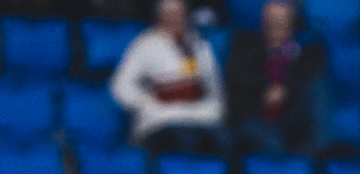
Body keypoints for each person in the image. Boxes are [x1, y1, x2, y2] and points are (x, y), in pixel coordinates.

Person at [110, 0, 226, 154]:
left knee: (227, 142)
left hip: (201, 118)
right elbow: (120, 85)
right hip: (163, 121)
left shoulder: (201, 45)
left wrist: (213, 111)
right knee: (187, 141)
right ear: (160, 17)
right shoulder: (145, 44)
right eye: (170, 14)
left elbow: (215, 88)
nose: (175, 19)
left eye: (179, 14)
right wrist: (147, 103)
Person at [225, 0, 325, 155]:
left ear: (292, 24)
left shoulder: (307, 53)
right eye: (271, 24)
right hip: (254, 116)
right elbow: (238, 87)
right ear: (263, 24)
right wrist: (266, 91)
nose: (276, 29)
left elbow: (305, 88)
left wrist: (284, 89)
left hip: (292, 119)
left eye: (281, 24)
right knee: (271, 142)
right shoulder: (245, 47)